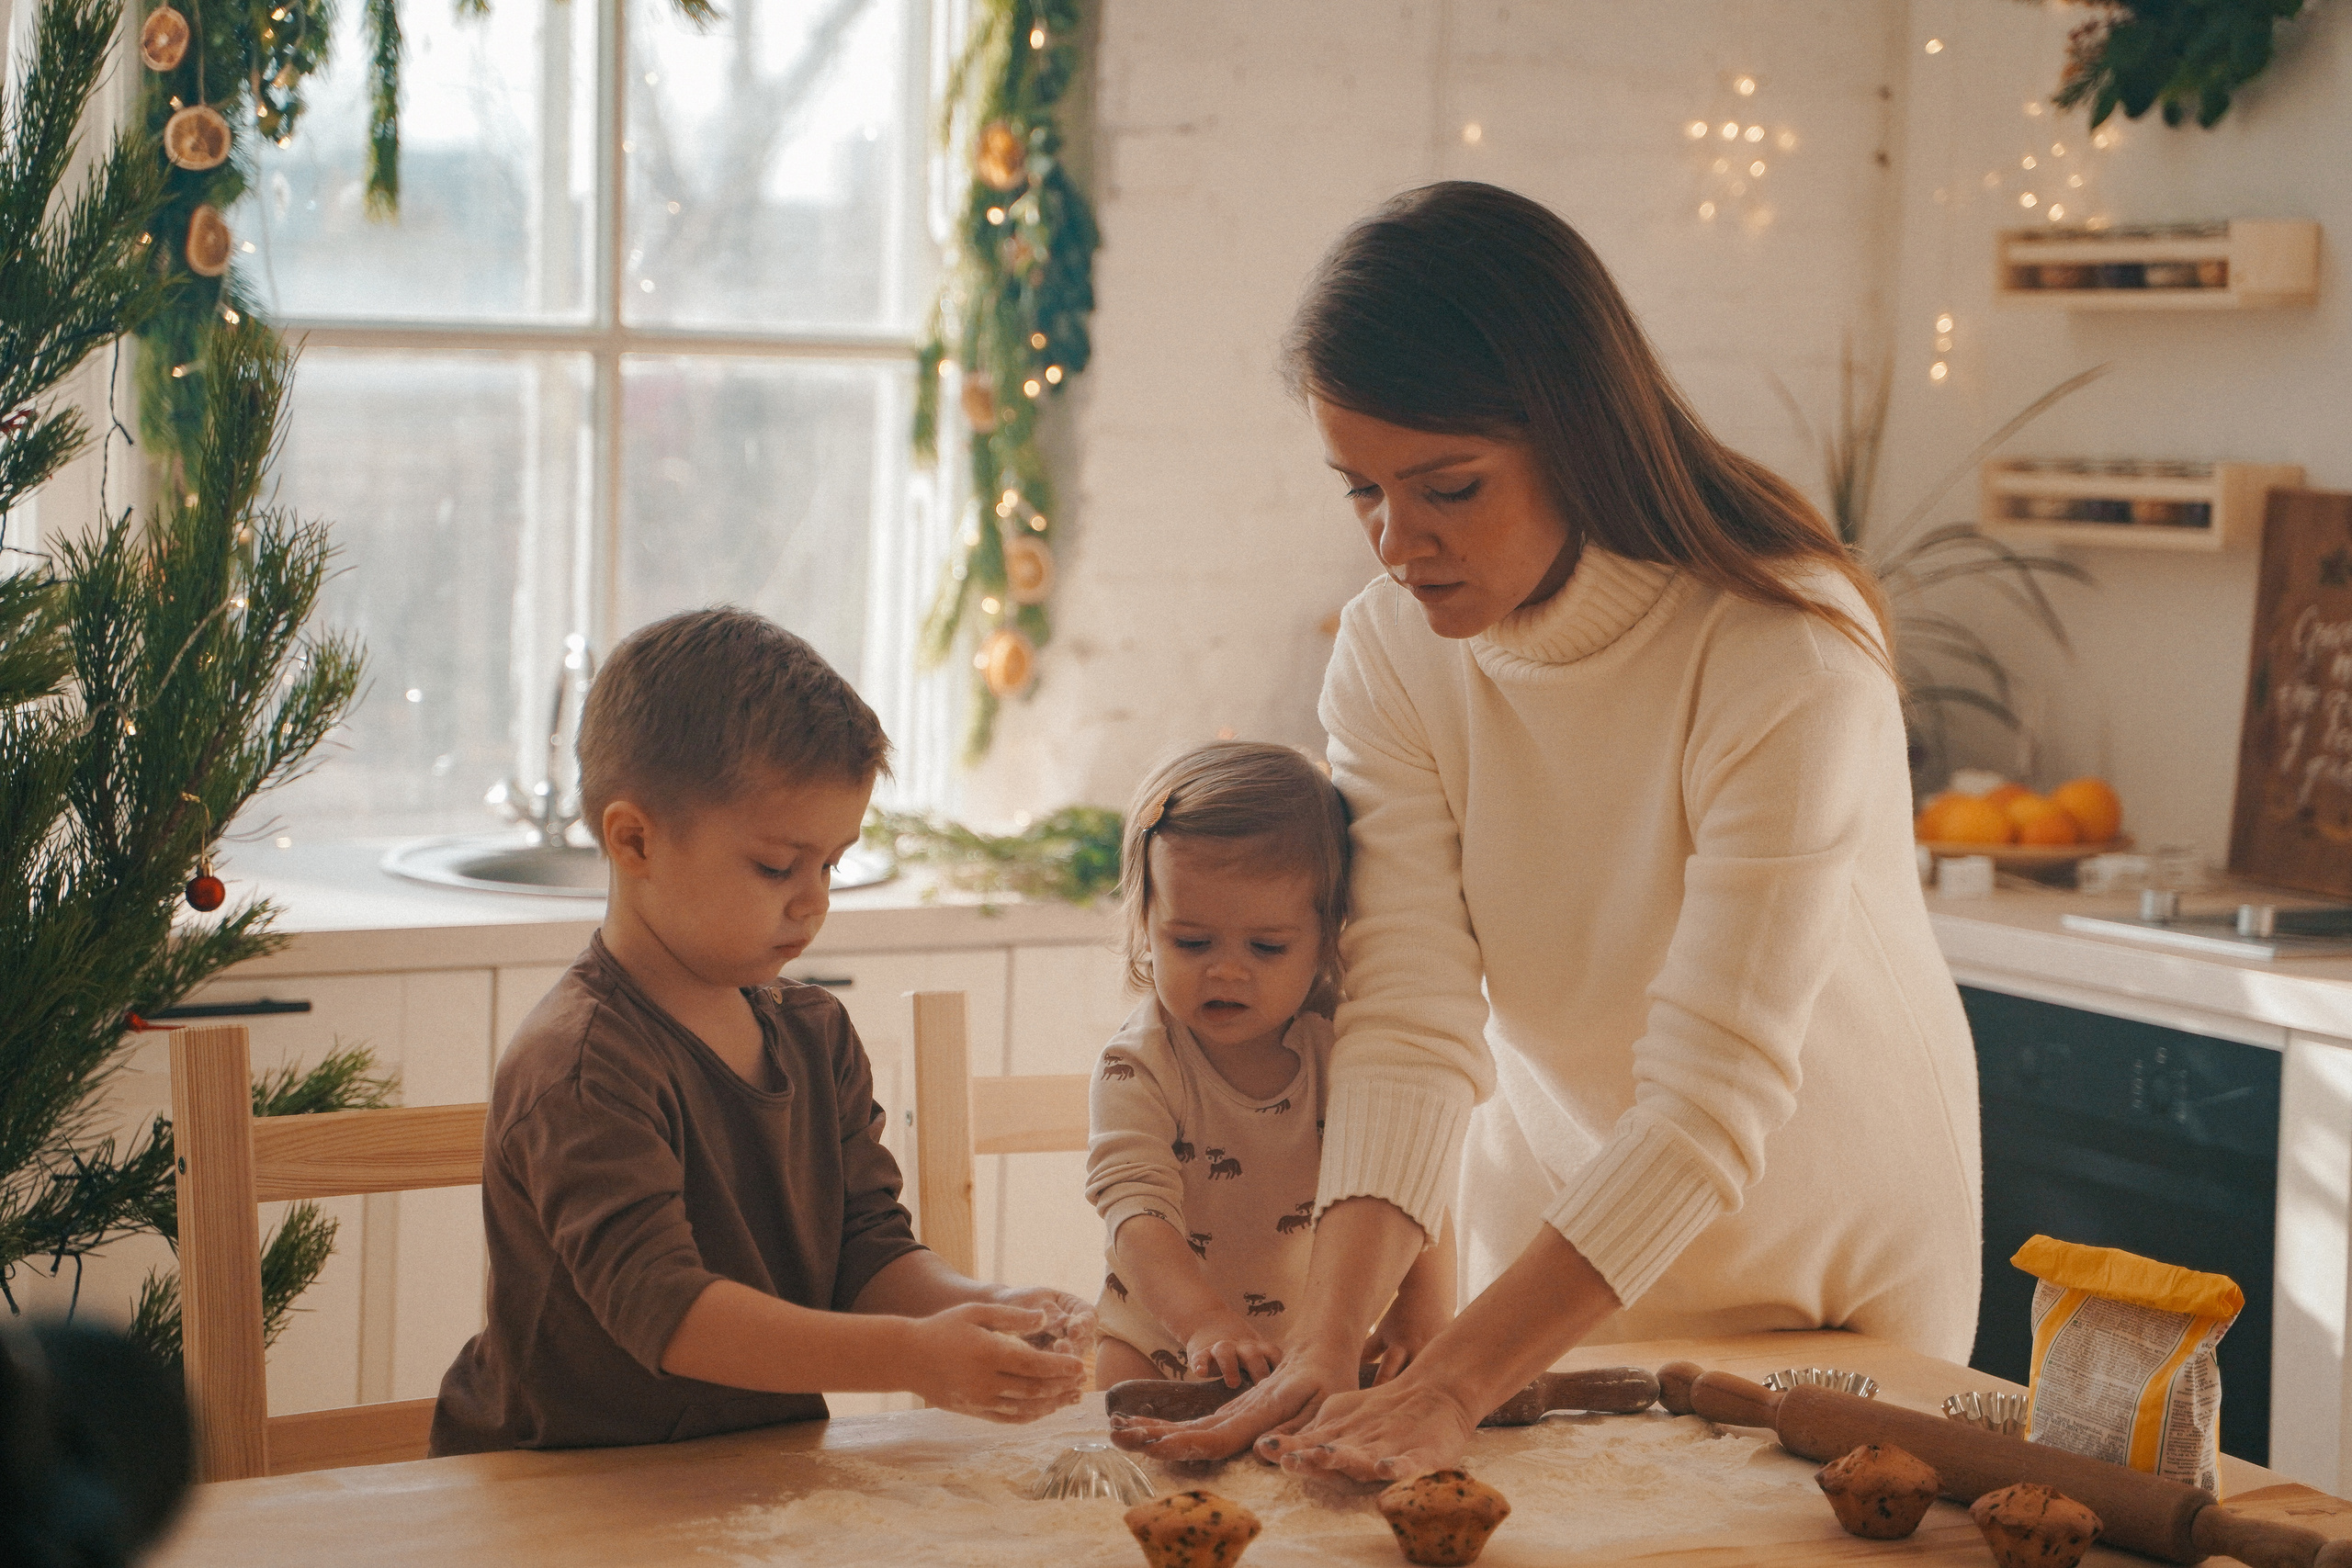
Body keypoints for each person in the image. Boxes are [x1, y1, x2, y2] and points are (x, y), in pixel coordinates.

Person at [1110, 182, 1981, 1480]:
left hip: (1826, 1256)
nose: (1399, 542)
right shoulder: (1391, 652)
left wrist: (1454, 1377)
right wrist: (1328, 1339)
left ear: (1574, 431)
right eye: (1360, 490)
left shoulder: (1784, 648)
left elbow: (1709, 1092)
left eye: (1448, 486)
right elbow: (1406, 1020)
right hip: (1556, 1249)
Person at [432, 608, 1091, 1454]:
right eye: (777, 866)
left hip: (743, 1474)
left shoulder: (816, 1035)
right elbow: (667, 1313)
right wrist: (912, 1358)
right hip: (558, 1487)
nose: (813, 900)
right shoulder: (583, 1066)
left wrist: (996, 1309)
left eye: (832, 863)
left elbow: (865, 1250)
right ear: (635, 840)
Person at [1086, 742, 1453, 1392]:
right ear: (1146, 922)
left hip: (1325, 1350)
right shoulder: (1137, 1066)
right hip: (1161, 1348)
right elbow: (1137, 1218)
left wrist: (1422, 1306)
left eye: (1266, 945)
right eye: (1192, 941)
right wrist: (1205, 1324)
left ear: (1328, 934)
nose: (1226, 969)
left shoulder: (1352, 1049)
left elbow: (1415, 1170)